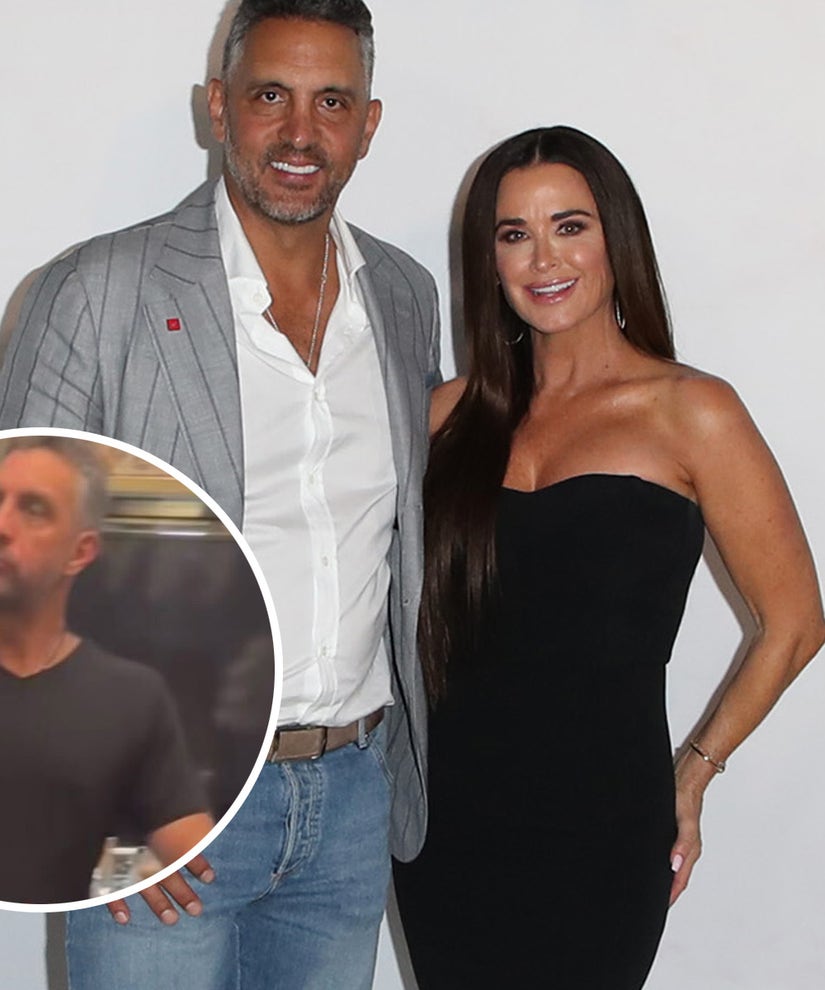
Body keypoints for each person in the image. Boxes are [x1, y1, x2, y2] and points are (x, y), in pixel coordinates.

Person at [0, 1, 438, 986]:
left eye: (333, 102)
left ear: (369, 123)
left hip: (350, 800)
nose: (300, 133)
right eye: (270, 96)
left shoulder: (404, 296)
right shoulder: (97, 289)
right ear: (217, 105)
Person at [392, 125, 825, 989]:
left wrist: (694, 773)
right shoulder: (444, 416)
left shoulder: (691, 411)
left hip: (604, 831)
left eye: (569, 226)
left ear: (614, 238)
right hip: (446, 830)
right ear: (487, 260)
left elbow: (794, 623)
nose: (542, 259)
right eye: (513, 234)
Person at [0, 436, 212, 905]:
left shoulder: (129, 697)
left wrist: (126, 871)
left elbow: (196, 853)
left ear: (80, 552)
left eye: (33, 509)